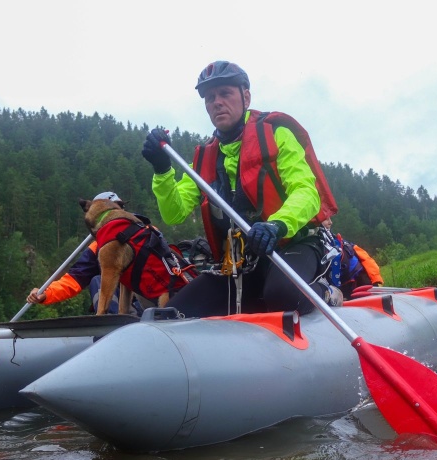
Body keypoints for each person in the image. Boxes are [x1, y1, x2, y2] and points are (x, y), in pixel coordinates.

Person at [141, 60, 340, 317]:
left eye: (225, 93)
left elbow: (306, 191)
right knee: (171, 313)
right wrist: (162, 171)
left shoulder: (276, 134)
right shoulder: (204, 159)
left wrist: (277, 224)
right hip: (242, 262)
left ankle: (327, 291)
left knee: (281, 295)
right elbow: (174, 213)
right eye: (210, 97)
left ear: (245, 96)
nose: (217, 102)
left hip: (293, 244)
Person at [26, 192, 143, 315]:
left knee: (100, 280)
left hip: (143, 303)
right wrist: (46, 294)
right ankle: (109, 319)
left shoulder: (145, 234)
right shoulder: (97, 248)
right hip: (128, 306)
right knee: (98, 281)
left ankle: (110, 320)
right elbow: (74, 279)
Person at [319, 217, 384, 300]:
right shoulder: (331, 242)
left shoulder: (338, 242)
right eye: (326, 219)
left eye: (330, 219)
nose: (330, 222)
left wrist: (376, 281)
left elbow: (367, 260)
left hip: (359, 282)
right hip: (345, 286)